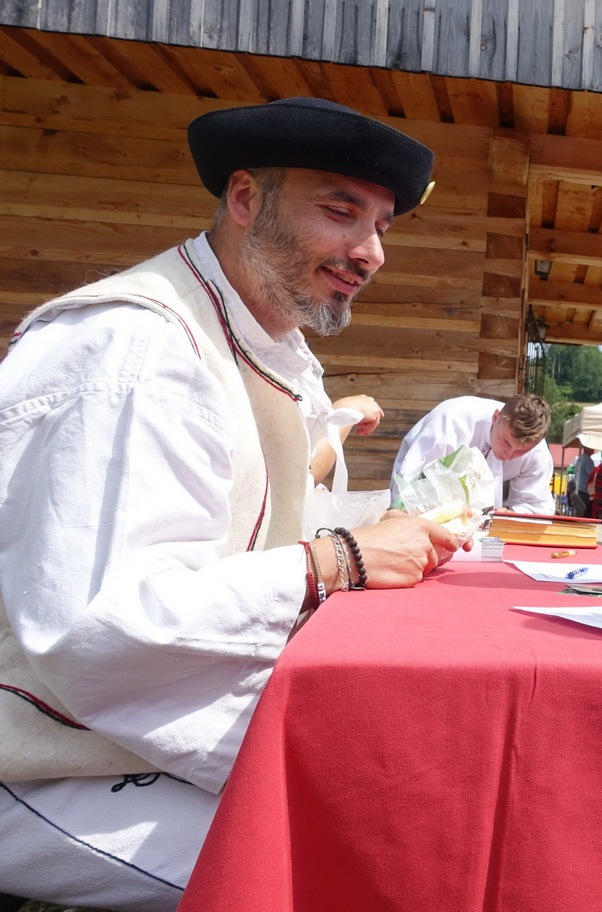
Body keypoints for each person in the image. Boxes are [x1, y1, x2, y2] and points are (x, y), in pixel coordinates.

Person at [0, 97, 463, 911]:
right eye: (341, 211)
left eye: (382, 225)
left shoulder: (263, 342)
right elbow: (99, 626)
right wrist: (339, 560)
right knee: (359, 865)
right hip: (37, 751)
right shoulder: (137, 346)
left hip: (114, 733)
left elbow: (257, 522)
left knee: (409, 809)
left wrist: (374, 527)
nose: (371, 251)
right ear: (246, 199)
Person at [391, 393, 555, 514]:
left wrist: (513, 513)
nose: (509, 454)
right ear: (495, 417)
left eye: (521, 451)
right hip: (426, 493)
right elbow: (408, 480)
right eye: (506, 442)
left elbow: (536, 505)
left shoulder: (538, 452)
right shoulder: (451, 423)